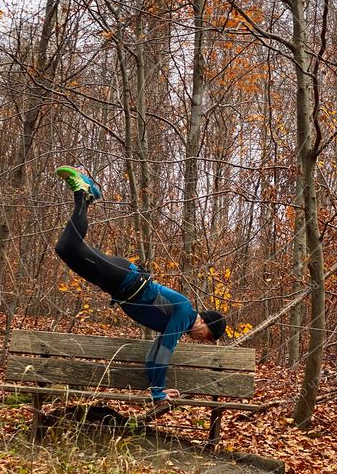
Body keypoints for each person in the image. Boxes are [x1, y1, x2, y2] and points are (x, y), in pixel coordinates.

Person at [54, 165, 227, 415]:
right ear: (206, 322)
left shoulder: (178, 322)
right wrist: (158, 392)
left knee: (65, 248)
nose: (206, 340)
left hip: (117, 285)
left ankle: (87, 195)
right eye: (210, 336)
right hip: (123, 278)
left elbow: (152, 357)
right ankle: (84, 192)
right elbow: (165, 351)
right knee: (69, 247)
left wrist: (159, 389)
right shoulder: (185, 311)